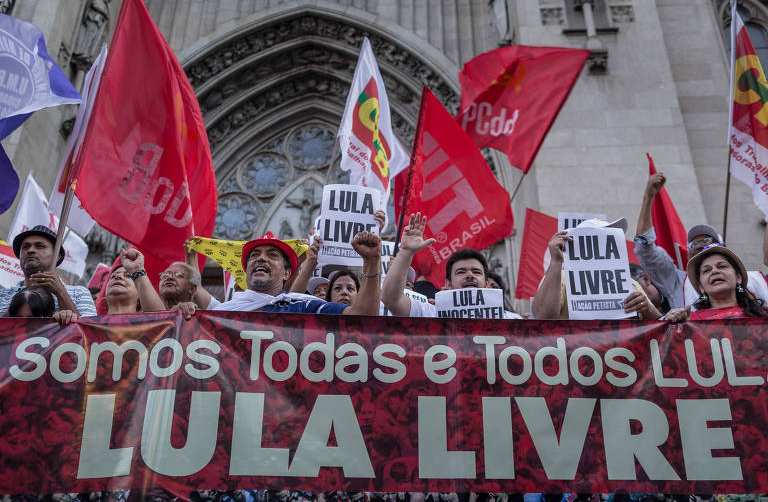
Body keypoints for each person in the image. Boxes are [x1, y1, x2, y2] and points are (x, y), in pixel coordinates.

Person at [635, 172, 768, 309]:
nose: (699, 246)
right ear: (699, 286)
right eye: (693, 244)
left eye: (706, 241)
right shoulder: (677, 282)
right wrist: (648, 197)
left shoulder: (755, 281)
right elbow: (644, 250)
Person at [203, 230, 381, 314]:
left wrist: (371, 262)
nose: (261, 258)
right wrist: (181, 317)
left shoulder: (302, 307)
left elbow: (363, 316)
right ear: (246, 269)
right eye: (255, 255)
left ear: (287, 273)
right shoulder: (220, 314)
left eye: (272, 255)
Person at [381, 213, 520, 318]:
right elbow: (391, 299)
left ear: (487, 284)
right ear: (448, 284)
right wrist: (406, 251)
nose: (470, 275)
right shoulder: (432, 313)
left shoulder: (510, 320)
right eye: (461, 272)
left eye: (476, 272)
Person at [533, 218, 660, 320]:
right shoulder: (560, 278)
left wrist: (647, 308)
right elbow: (543, 319)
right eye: (604, 236)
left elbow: (661, 324)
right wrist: (556, 262)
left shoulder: (629, 283)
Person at [0, 225, 96, 316]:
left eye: (39, 246)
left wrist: (60, 292)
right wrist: (21, 301)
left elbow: (87, 332)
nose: (30, 250)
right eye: (25, 246)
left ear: (57, 256)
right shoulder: (2, 296)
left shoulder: (79, 294)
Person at [665, 244, 768, 321]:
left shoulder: (764, 314)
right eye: (706, 270)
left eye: (722, 266)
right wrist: (670, 324)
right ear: (701, 287)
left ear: (738, 278)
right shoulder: (690, 321)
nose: (714, 271)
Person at [103, 249, 165, 314]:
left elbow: (161, 318)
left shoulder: (147, 323)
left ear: (140, 298)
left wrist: (137, 270)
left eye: (127, 276)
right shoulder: (92, 322)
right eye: (113, 276)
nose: (118, 276)